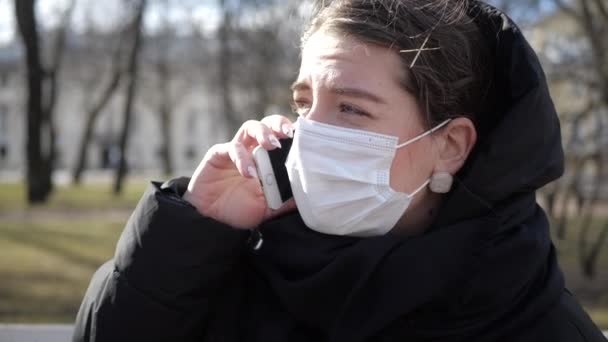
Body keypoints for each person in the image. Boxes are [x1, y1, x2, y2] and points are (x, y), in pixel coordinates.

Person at [72, 0, 608, 341]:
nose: (308, 133)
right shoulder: (245, 262)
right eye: (305, 103)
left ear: (450, 146)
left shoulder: (533, 319)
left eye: (351, 109)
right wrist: (188, 230)